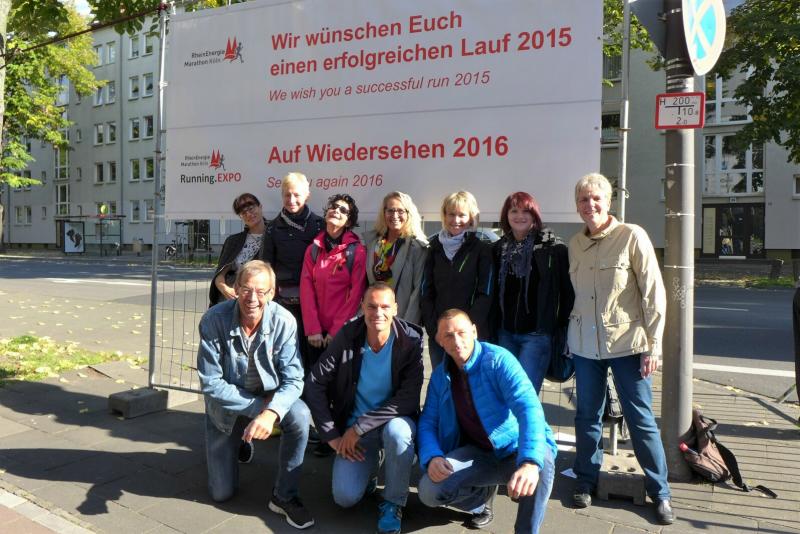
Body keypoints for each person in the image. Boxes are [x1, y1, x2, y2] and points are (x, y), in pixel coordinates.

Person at [567, 173, 674, 525]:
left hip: (628, 345)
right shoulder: (574, 244)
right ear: (577, 205)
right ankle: (585, 479)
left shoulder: (632, 236)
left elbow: (654, 294)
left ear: (609, 201)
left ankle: (660, 491)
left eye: (596, 198)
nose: (590, 205)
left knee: (640, 418)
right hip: (585, 346)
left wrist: (654, 346)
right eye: (583, 199)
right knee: (587, 416)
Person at [196, 260, 314, 529]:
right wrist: (260, 409)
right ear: (236, 288)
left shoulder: (284, 321)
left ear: (272, 293)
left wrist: (271, 413)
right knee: (221, 494)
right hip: (226, 408)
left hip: (269, 398)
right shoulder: (214, 320)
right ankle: (241, 438)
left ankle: (284, 496)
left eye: (261, 291)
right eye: (246, 289)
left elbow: (294, 378)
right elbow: (211, 383)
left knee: (300, 415)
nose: (252, 298)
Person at [417, 309, 557, 534]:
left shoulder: (499, 360)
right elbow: (427, 423)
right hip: (477, 453)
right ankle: (481, 498)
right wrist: (432, 456)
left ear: (474, 331)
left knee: (541, 463)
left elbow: (529, 408)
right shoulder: (440, 376)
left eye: (462, 332)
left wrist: (529, 462)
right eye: (449, 335)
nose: (457, 341)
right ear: (439, 340)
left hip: (514, 449)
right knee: (429, 490)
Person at [304, 283, 424, 534]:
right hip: (354, 431)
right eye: (371, 306)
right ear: (362, 307)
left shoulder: (411, 341)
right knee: (344, 497)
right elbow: (315, 383)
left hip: (391, 424)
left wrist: (360, 427)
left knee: (398, 434)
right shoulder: (348, 334)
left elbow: (409, 399)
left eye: (385, 307)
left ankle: (393, 502)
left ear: (396, 309)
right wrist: (331, 436)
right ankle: (370, 469)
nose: (378, 313)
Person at [493, 192, 574, 393]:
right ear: (506, 215)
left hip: (537, 336)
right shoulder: (498, 248)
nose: (519, 216)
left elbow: (568, 295)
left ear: (534, 215)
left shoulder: (553, 249)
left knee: (523, 396)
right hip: (505, 334)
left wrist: (562, 330)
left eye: (526, 211)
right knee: (504, 394)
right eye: (514, 211)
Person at [421, 191, 493, 369]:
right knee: (442, 383)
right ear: (444, 216)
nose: (456, 220)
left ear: (471, 218)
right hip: (440, 337)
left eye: (462, 215)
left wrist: (465, 331)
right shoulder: (434, 249)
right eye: (451, 214)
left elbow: (485, 294)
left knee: (468, 384)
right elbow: (426, 292)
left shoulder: (482, 250)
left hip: (469, 337)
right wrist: (434, 329)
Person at [260, 172, 325, 371]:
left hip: (314, 302)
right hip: (283, 301)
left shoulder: (320, 225)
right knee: (285, 351)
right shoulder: (272, 228)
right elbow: (266, 266)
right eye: (287, 195)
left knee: (313, 353)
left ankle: (311, 389)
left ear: (307, 196)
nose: (291, 200)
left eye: (297, 195)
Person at [300, 193, 367, 360]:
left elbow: (356, 296)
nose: (336, 211)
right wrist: (313, 328)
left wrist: (337, 330)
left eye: (343, 210)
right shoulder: (313, 249)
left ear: (349, 222)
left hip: (342, 332)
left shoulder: (357, 252)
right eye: (333, 207)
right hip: (315, 335)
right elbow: (306, 290)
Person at [363, 191, 428, 324]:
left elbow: (417, 293)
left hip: (401, 320)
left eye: (400, 211)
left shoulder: (417, 247)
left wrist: (407, 326)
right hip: (375, 319)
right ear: (384, 213)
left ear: (409, 214)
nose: (395, 215)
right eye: (390, 210)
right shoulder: (373, 243)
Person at [209, 193, 267, 306]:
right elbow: (219, 275)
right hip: (232, 298)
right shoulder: (233, 241)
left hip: (259, 299)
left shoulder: (273, 238)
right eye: (243, 212)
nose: (248, 214)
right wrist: (225, 289)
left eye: (251, 208)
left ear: (260, 207)